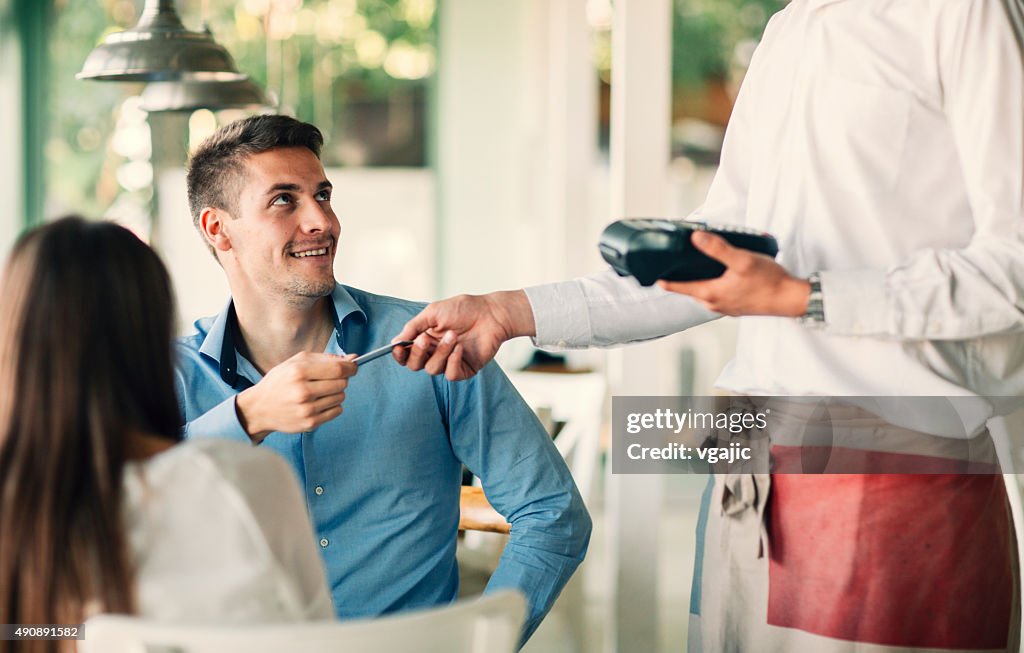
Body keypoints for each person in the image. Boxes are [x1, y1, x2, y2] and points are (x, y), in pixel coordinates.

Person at [394, 0, 1024, 651]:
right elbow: (713, 269)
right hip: (746, 461)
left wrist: (807, 296)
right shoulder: (787, 30)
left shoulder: (964, 13)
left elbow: (1015, 267)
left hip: (896, 467)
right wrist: (508, 311)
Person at [176, 114, 591, 642]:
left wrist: (480, 642)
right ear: (219, 229)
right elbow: (105, 519)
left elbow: (552, 513)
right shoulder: (170, 376)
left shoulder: (434, 345)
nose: (322, 221)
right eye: (285, 200)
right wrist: (249, 416)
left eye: (322, 195)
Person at [0, 217, 333, 653]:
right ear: (153, 337)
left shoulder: (21, 511)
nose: (318, 221)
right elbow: (316, 640)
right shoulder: (244, 483)